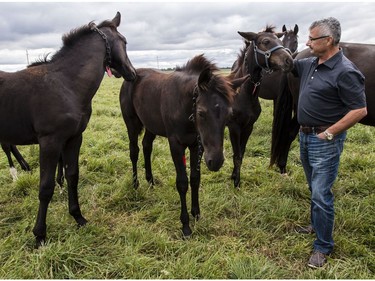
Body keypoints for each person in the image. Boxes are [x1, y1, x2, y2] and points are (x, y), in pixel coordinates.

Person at [293, 17, 367, 268]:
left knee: (322, 193)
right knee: (314, 189)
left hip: (324, 141)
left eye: (312, 38)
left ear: (328, 40)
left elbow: (359, 110)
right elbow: (285, 65)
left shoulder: (346, 71)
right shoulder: (311, 64)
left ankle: (323, 246)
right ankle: (316, 225)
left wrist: (331, 133)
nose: (307, 42)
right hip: (304, 136)